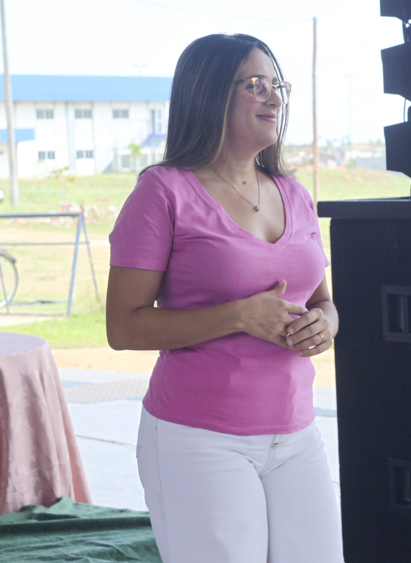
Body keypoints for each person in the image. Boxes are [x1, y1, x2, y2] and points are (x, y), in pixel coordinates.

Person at [106, 33, 342, 562]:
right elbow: (123, 328)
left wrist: (325, 325)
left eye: (277, 84)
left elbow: (325, 301)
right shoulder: (162, 192)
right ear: (209, 93)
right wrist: (237, 316)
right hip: (199, 439)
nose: (274, 98)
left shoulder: (294, 193)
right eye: (256, 85)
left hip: (296, 434)